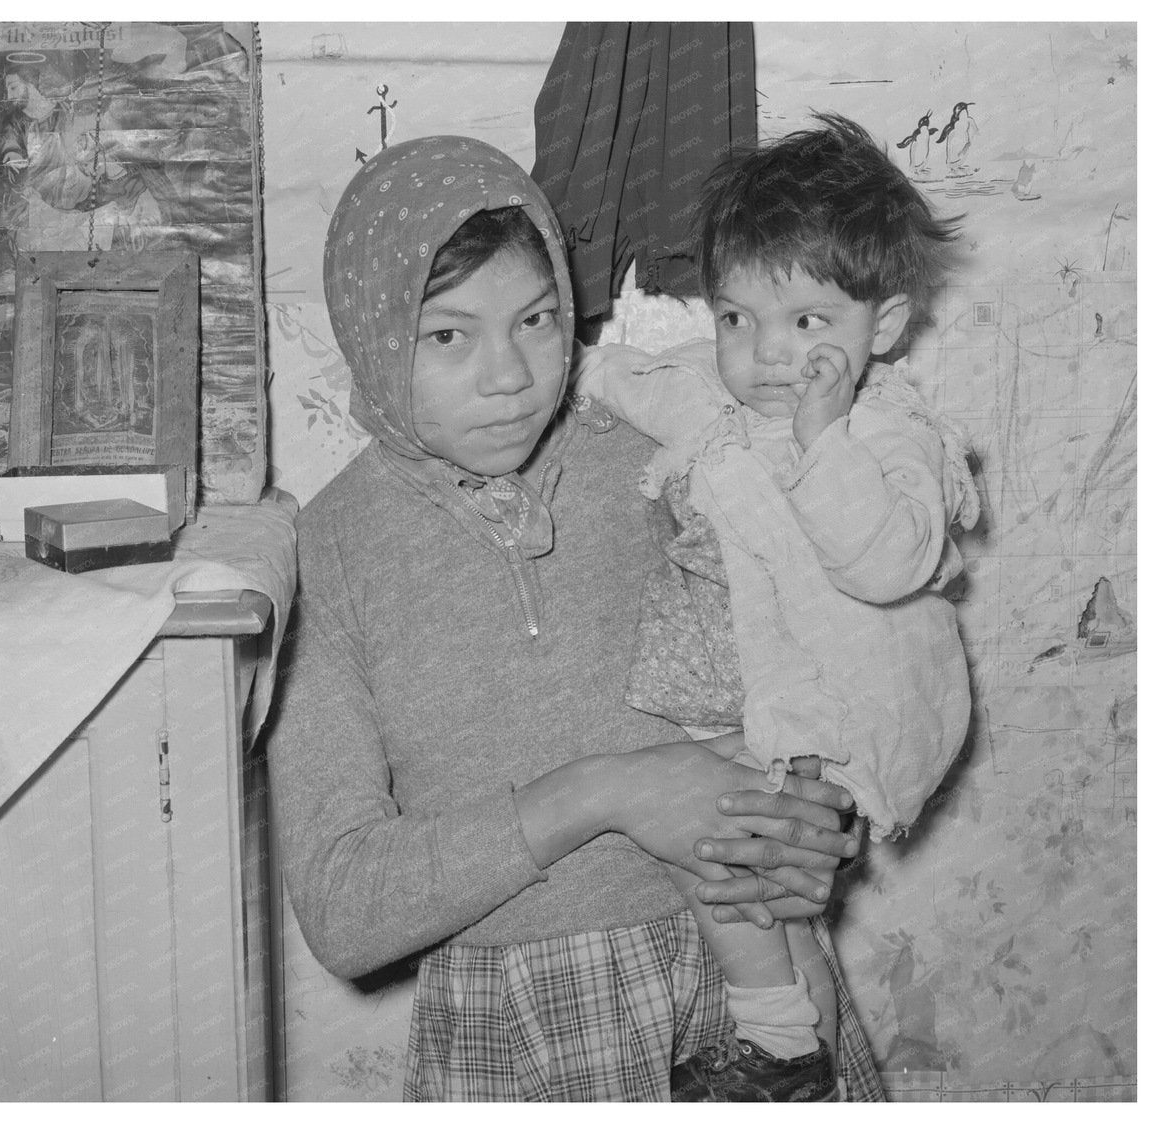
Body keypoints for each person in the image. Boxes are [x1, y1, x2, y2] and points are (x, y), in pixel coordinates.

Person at [269, 134, 884, 1102]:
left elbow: (822, 659)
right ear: (370, 329)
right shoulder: (322, 552)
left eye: (538, 318)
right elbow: (346, 910)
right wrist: (604, 790)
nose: (509, 373)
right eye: (448, 334)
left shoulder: (665, 447)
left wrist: (815, 826)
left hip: (753, 991)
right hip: (524, 1027)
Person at [573, 112, 977, 1100]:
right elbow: (639, 385)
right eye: (735, 317)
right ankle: (802, 1042)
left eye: (805, 324)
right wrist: (569, 375)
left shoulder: (890, 432)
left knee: (738, 867)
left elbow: (889, 562)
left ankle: (781, 1038)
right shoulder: (724, 400)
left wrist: (824, 437)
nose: (761, 354)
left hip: (843, 711)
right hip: (756, 709)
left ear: (879, 326)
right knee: (747, 880)